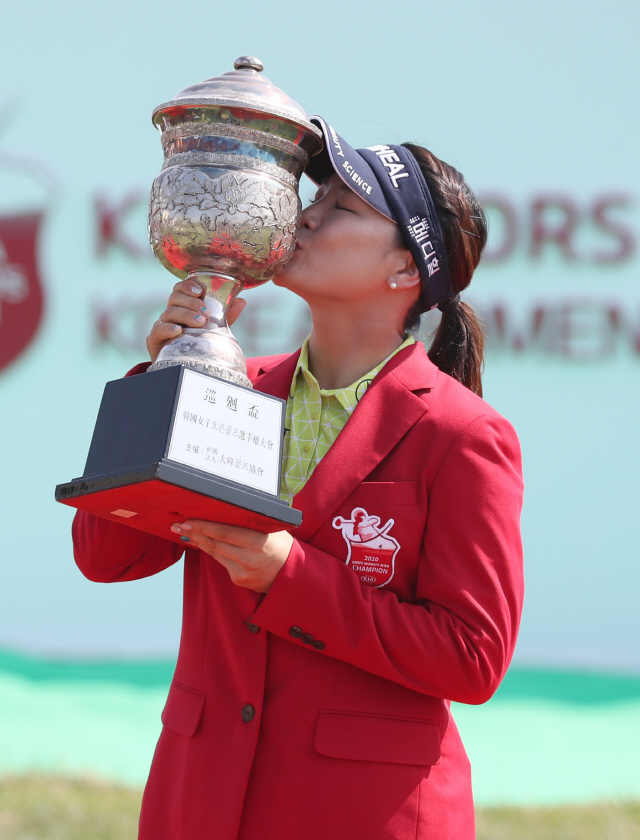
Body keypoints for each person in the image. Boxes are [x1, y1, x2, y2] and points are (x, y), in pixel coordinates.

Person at [73, 117, 524, 840]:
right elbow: (107, 556)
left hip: (362, 815)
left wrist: (293, 577)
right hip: (202, 802)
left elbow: (472, 658)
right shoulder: (235, 387)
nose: (302, 217)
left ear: (406, 269)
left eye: (339, 208)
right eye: (309, 199)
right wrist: (165, 381)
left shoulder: (462, 435)